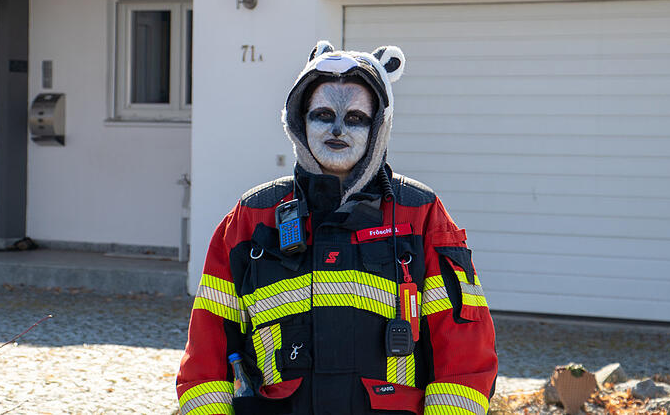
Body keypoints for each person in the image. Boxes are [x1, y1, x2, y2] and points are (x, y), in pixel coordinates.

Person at [177, 41, 497, 415]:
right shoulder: (252, 217)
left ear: (379, 127)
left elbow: (464, 358)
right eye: (323, 114)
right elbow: (205, 359)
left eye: (356, 118)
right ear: (298, 121)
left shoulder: (421, 214)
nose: (338, 129)